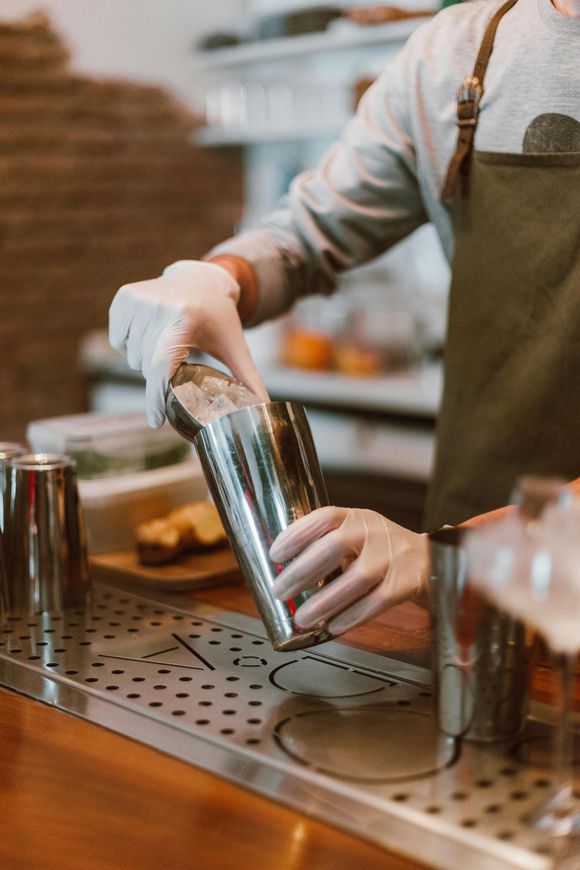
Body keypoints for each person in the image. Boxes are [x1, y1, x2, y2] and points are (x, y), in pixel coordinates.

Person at [109, 0, 580, 637]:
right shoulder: (459, 54)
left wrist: (461, 554)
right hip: (475, 575)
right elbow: (308, 232)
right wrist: (219, 277)